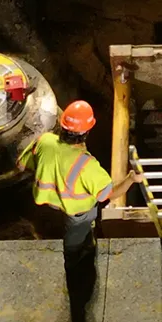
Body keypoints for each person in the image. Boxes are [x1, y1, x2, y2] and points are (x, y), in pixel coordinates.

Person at [17, 100, 144, 270]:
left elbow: (21, 165)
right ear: (86, 133)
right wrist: (130, 179)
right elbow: (109, 195)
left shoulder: (45, 140)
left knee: (62, 222)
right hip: (76, 212)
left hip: (48, 203)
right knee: (76, 235)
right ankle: (74, 259)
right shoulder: (87, 166)